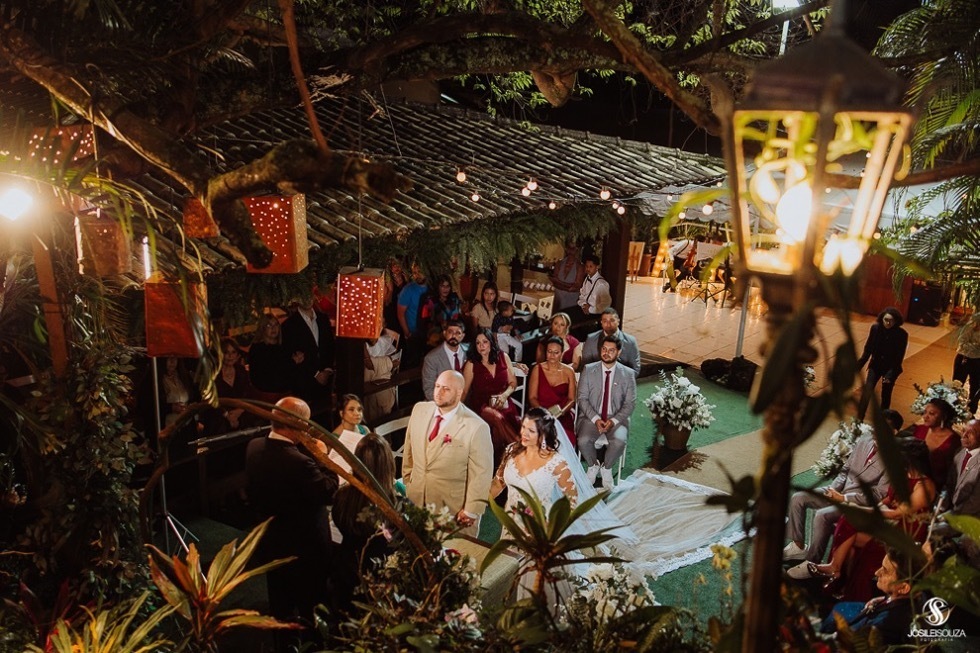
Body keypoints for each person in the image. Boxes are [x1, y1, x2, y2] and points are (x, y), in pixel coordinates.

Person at [805, 438, 936, 601]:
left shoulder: (925, 486)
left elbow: (897, 514)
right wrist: (878, 507)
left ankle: (842, 580)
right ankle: (840, 577)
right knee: (850, 539)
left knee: (854, 532)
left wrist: (864, 511)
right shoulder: (902, 475)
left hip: (905, 533)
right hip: (889, 523)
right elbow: (888, 500)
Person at [245, 396, 338, 621]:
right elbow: (329, 491)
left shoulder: (254, 446)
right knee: (311, 607)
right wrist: (322, 456)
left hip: (272, 543)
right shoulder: (299, 463)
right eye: (306, 423)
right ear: (298, 425)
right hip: (305, 549)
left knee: (280, 606)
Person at [784, 420, 890, 572]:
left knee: (821, 516)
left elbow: (878, 494)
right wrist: (834, 490)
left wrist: (845, 498)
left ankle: (811, 562)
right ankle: (798, 546)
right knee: (798, 497)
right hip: (839, 490)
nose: (875, 437)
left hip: (857, 504)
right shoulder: (865, 439)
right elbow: (846, 469)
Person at [402, 370, 493, 537]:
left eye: (446, 388)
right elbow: (408, 451)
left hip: (451, 508)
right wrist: (409, 481)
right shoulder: (419, 410)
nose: (438, 392)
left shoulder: (476, 427)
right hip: (416, 500)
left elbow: (482, 474)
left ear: (459, 392)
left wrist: (471, 510)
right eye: (437, 386)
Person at [330, 433, 402, 612]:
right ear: (388, 465)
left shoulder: (341, 497)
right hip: (382, 581)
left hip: (347, 572)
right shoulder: (396, 504)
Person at [819, 547, 923, 647]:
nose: (877, 572)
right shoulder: (910, 595)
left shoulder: (883, 625)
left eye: (885, 571)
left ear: (904, 587)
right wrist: (885, 599)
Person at [576, 335, 637, 489]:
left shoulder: (628, 374)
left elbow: (629, 404)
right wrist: (596, 419)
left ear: (619, 352)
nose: (606, 353)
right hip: (592, 417)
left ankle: (607, 468)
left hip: (616, 419)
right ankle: (593, 465)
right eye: (604, 349)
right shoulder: (589, 370)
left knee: (619, 441)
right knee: (583, 440)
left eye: (611, 350)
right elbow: (582, 398)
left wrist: (613, 421)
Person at [462, 329, 523, 468]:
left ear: (491, 343)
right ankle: (520, 450)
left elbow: (513, 383)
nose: (481, 346)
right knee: (497, 417)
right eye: (478, 343)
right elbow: (464, 391)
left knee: (497, 433)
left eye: (485, 342)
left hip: (503, 401)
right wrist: (455, 412)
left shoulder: (503, 357)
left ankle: (496, 467)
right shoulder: (472, 363)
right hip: (481, 406)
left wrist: (504, 395)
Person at [281, 297, 334, 417]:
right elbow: (291, 357)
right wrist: (315, 374)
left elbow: (330, 347)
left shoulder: (323, 318)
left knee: (326, 420)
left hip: (326, 382)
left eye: (308, 294)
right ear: (297, 298)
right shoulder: (288, 325)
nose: (307, 298)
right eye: (302, 294)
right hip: (304, 384)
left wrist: (327, 370)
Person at [857, 307, 909, 419]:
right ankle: (858, 419)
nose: (888, 323)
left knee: (886, 391)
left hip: (890, 368)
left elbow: (899, 356)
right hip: (876, 365)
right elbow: (868, 348)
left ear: (896, 321)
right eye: (886, 319)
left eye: (891, 320)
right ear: (882, 319)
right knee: (868, 389)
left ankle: (883, 420)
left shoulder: (902, 334)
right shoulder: (875, 329)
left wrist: (889, 375)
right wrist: (860, 364)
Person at [528, 336, 578, 446]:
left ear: (561, 353)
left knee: (564, 437)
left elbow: (571, 399)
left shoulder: (569, 371)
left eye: (556, 352)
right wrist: (544, 414)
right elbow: (532, 397)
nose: (552, 356)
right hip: (540, 413)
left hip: (562, 414)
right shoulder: (537, 369)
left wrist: (561, 412)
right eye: (549, 352)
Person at [934, 419, 980, 536]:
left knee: (932, 530)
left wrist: (948, 516)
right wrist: (940, 507)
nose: (964, 435)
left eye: (972, 433)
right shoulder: (959, 453)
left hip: (970, 517)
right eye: (964, 431)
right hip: (951, 511)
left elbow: (975, 502)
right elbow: (948, 485)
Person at [909, 398, 960, 486]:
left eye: (931, 414)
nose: (925, 416)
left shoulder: (953, 442)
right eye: (925, 412)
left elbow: (952, 473)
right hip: (911, 479)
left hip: (934, 487)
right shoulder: (919, 430)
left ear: (943, 417)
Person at [247, 313, 295, 400]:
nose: (273, 328)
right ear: (263, 328)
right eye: (269, 325)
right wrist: (292, 362)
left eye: (276, 325)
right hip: (267, 394)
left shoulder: (283, 346)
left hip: (286, 391)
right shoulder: (257, 349)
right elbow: (270, 372)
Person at [580, 308, 641, 372]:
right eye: (605, 321)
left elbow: (635, 368)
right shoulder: (591, 339)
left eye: (612, 320)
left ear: (618, 321)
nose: (608, 324)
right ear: (601, 322)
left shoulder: (630, 341)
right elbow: (585, 366)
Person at [363, 322, 400, 424]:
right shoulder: (363, 345)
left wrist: (390, 363)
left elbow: (395, 360)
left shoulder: (383, 341)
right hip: (368, 379)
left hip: (384, 378)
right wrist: (388, 363)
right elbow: (369, 364)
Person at [421, 320, 466, 401]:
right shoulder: (432, 358)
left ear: (463, 336)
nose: (454, 335)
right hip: (442, 404)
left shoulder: (469, 352)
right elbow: (429, 390)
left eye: (458, 333)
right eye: (450, 332)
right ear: (444, 333)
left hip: (466, 403)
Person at [396, 262, 428, 365]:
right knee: (413, 362)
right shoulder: (408, 290)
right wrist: (407, 333)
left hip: (430, 332)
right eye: (414, 273)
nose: (417, 275)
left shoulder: (431, 287)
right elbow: (400, 313)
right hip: (413, 333)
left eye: (419, 272)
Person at [419, 274, 463, 348]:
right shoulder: (430, 301)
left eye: (447, 286)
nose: (445, 289)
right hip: (436, 338)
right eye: (442, 286)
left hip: (453, 336)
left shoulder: (454, 299)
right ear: (438, 287)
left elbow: (459, 317)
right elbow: (424, 321)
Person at [953, 313, 980, 416]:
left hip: (978, 360)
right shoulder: (974, 321)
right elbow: (962, 342)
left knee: (976, 386)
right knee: (957, 385)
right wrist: (977, 346)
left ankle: (971, 411)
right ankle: (951, 410)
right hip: (965, 358)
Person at [571, 254, 611, 321]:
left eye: (590, 266)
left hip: (595, 313)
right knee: (566, 314)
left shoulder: (601, 284)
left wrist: (590, 309)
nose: (588, 269)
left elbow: (605, 305)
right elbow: (582, 295)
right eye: (586, 266)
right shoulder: (587, 278)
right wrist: (583, 304)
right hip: (584, 308)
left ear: (597, 267)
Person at [548, 241, 585, 310]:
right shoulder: (559, 263)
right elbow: (554, 283)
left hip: (571, 300)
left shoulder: (580, 266)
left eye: (573, 248)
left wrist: (560, 284)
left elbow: (576, 287)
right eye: (569, 248)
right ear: (566, 249)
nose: (571, 251)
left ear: (577, 250)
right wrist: (567, 287)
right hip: (557, 299)